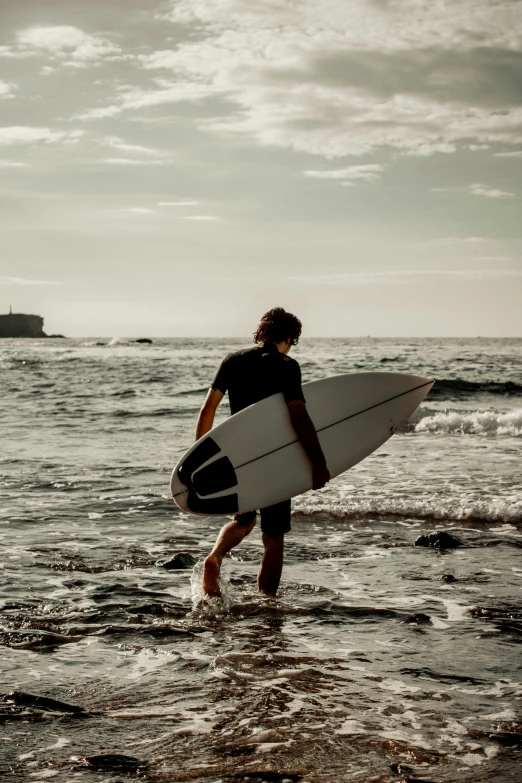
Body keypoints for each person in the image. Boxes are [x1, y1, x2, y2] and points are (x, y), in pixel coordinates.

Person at [196, 307, 330, 597]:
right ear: (291, 338)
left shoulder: (232, 361)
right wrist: (318, 462)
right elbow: (299, 417)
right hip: (273, 459)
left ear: (262, 333)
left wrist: (200, 459)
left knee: (243, 520)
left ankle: (216, 556)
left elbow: (208, 410)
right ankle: (267, 604)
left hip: (238, 458)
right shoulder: (287, 366)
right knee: (273, 536)